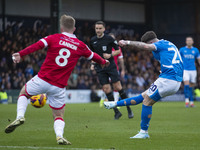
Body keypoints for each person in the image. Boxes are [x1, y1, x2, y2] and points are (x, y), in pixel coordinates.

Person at [5, 15, 110, 145]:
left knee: (24, 93)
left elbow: (37, 46)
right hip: (59, 87)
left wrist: (20, 54)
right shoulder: (80, 45)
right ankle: (59, 136)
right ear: (74, 28)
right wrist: (104, 61)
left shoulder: (53, 38)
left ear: (61, 27)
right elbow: (94, 56)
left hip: (43, 79)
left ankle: (20, 116)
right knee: (58, 115)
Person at [104, 31, 183, 139]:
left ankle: (144, 132)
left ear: (150, 42)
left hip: (168, 79)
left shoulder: (158, 45)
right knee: (143, 96)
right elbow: (177, 60)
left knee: (146, 101)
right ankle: (114, 104)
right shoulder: (168, 43)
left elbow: (145, 47)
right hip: (174, 80)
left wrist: (127, 42)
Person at [90, 21, 133, 119]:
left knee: (118, 87)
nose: (98, 30)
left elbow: (118, 50)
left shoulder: (109, 39)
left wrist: (110, 55)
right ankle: (116, 112)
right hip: (100, 67)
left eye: (100, 28)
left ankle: (129, 109)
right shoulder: (92, 40)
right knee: (106, 89)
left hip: (110, 66)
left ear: (104, 29)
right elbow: (93, 54)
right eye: (97, 28)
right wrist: (92, 63)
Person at [179, 37, 200, 107]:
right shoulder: (182, 50)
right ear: (186, 42)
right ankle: (186, 101)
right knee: (186, 85)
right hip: (185, 70)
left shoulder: (195, 50)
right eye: (188, 40)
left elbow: (198, 59)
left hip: (193, 70)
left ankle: (191, 102)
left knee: (192, 87)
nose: (189, 42)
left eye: (190, 40)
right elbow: (178, 59)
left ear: (192, 42)